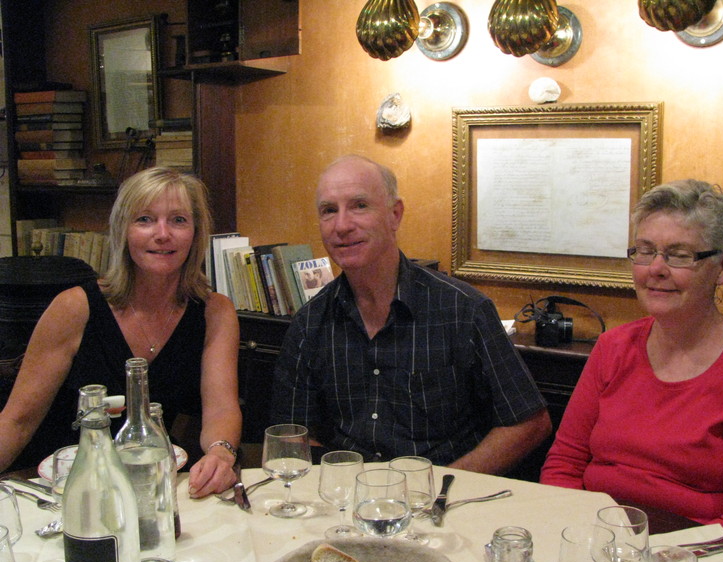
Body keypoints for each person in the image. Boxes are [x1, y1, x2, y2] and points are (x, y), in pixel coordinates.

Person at [540, 179, 723, 554]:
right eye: (645, 252)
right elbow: (564, 465)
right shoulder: (613, 347)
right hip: (592, 546)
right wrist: (580, 541)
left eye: (679, 255)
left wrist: (651, 560)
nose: (656, 269)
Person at [270, 154, 552, 474]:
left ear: (395, 214)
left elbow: (528, 423)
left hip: (445, 495)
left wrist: (446, 483)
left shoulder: (462, 311)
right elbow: (292, 435)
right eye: (329, 211)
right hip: (346, 494)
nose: (342, 226)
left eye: (360, 206)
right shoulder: (310, 323)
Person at [0, 167, 241, 498]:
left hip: (150, 480)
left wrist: (221, 453)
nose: (163, 234)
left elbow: (221, 408)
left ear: (196, 233)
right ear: (123, 230)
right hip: (65, 488)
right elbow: (17, 421)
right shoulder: (74, 308)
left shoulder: (215, 311)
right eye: (144, 219)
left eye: (178, 220)